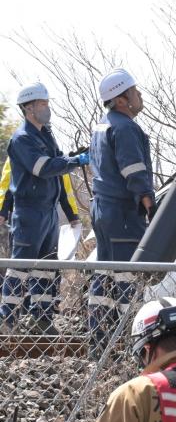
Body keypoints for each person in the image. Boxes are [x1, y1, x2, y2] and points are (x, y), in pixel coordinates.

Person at [1, 83, 88, 335]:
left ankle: (42, 320)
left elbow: (58, 165)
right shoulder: (22, 138)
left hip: (48, 212)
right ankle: (7, 320)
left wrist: (73, 157)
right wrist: (74, 161)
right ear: (29, 108)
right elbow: (43, 167)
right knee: (21, 266)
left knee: (46, 268)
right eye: (43, 104)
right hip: (29, 211)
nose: (47, 108)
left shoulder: (45, 134)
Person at [89, 69, 154, 352]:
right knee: (128, 276)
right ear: (122, 99)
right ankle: (133, 344)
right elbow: (134, 171)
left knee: (104, 275)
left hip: (103, 210)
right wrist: (149, 204)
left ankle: (100, 342)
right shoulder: (125, 128)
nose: (139, 96)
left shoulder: (102, 125)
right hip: (123, 213)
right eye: (135, 91)